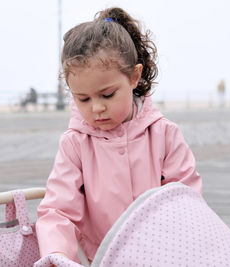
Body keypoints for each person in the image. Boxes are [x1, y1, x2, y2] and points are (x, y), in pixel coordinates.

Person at [35, 7, 202, 264]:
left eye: (107, 94)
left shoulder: (164, 133)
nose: (97, 108)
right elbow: (59, 210)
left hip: (166, 257)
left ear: (134, 77)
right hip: (105, 260)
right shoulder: (76, 143)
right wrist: (56, 254)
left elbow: (186, 200)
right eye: (83, 99)